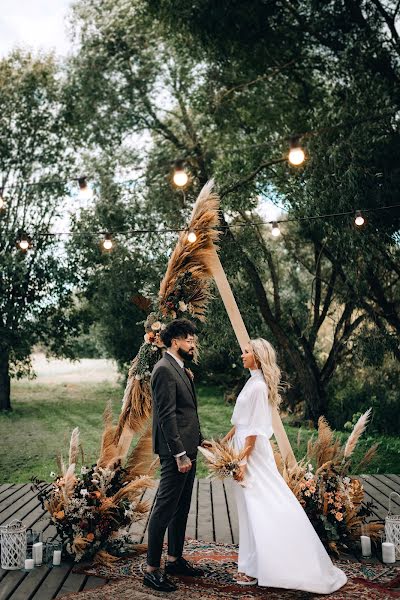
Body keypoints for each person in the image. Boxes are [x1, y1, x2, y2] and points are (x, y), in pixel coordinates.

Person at [222, 338, 348, 594]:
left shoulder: (258, 386)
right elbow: (242, 422)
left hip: (252, 454)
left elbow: (255, 430)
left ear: (257, 357)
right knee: (249, 507)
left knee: (259, 505)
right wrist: (224, 442)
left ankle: (264, 565)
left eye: (246, 352)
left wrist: (243, 461)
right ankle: (252, 563)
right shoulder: (252, 381)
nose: (242, 355)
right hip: (241, 448)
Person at [143, 318, 209, 593]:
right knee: (164, 508)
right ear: (174, 342)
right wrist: (180, 454)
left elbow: (185, 413)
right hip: (175, 453)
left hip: (188, 447)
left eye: (193, 339)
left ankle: (174, 560)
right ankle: (152, 570)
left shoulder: (180, 368)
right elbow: (166, 416)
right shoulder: (163, 370)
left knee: (181, 506)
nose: (193, 344)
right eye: (188, 339)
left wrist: (200, 440)